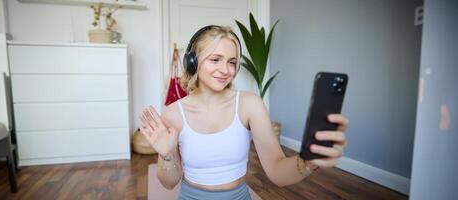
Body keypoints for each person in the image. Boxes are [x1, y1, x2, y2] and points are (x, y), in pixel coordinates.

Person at [139, 25, 349, 200]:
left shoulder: (250, 104)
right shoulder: (173, 113)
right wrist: (166, 155)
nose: (226, 70)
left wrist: (307, 163)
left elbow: (277, 171)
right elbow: (169, 183)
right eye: (215, 59)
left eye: (231, 62)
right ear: (193, 61)